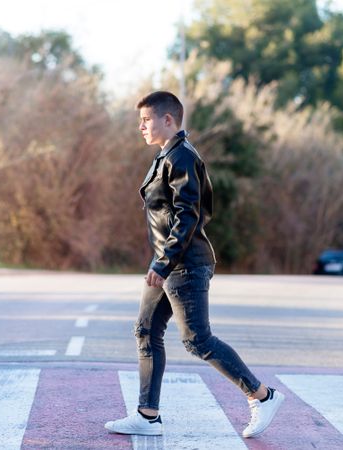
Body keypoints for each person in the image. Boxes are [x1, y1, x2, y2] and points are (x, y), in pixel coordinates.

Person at [104, 91, 284, 439]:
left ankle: (262, 396)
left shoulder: (182, 157)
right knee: (146, 330)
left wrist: (165, 261)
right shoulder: (166, 156)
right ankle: (147, 415)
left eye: (146, 119)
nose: (140, 126)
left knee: (197, 339)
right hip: (169, 262)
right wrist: (161, 261)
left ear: (168, 120)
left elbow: (188, 215)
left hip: (183, 263)